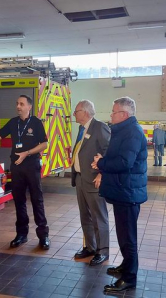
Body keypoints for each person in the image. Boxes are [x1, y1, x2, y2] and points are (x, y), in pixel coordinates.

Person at [0, 95, 50, 250]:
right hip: (17, 167)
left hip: (32, 165)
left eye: (21, 104)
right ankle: (21, 235)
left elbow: (44, 144)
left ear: (29, 107)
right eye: (17, 103)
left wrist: (27, 153)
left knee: (37, 200)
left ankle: (43, 236)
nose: (18, 106)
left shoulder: (36, 123)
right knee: (19, 201)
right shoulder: (13, 122)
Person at [92, 97, 147, 293]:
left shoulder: (132, 132)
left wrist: (101, 164)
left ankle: (129, 277)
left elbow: (124, 162)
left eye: (114, 112)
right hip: (123, 190)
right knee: (123, 234)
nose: (111, 115)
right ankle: (126, 266)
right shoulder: (124, 130)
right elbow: (118, 157)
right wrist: (103, 160)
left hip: (128, 192)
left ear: (123, 115)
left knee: (128, 237)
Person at [72, 100, 110, 266]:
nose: (74, 114)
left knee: (98, 216)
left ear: (85, 112)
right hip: (80, 178)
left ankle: (103, 251)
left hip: (94, 179)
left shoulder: (99, 127)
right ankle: (90, 246)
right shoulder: (82, 128)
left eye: (76, 111)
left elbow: (109, 150)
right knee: (84, 215)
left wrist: (102, 173)